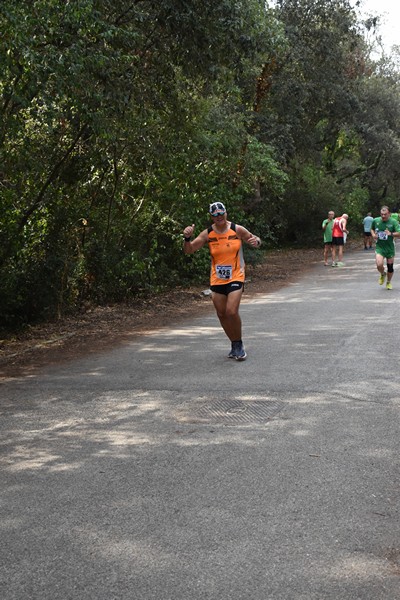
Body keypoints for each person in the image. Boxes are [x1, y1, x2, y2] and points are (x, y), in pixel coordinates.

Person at [183, 202, 261, 361]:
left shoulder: (237, 229)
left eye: (221, 214)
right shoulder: (208, 234)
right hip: (217, 278)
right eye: (215, 215)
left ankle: (239, 344)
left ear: (226, 213)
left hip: (236, 275)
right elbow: (189, 250)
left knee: (231, 311)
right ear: (211, 217)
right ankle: (233, 344)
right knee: (221, 314)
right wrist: (187, 238)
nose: (219, 217)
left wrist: (256, 242)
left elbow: (255, 239)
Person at [370, 205, 400, 290]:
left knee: (390, 266)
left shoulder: (394, 222)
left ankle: (388, 282)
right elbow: (372, 229)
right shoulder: (375, 220)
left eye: (385, 214)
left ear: (389, 214)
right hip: (380, 247)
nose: (383, 216)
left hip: (390, 247)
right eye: (382, 214)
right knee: (379, 264)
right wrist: (373, 234)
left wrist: (390, 234)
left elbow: (399, 233)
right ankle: (383, 274)